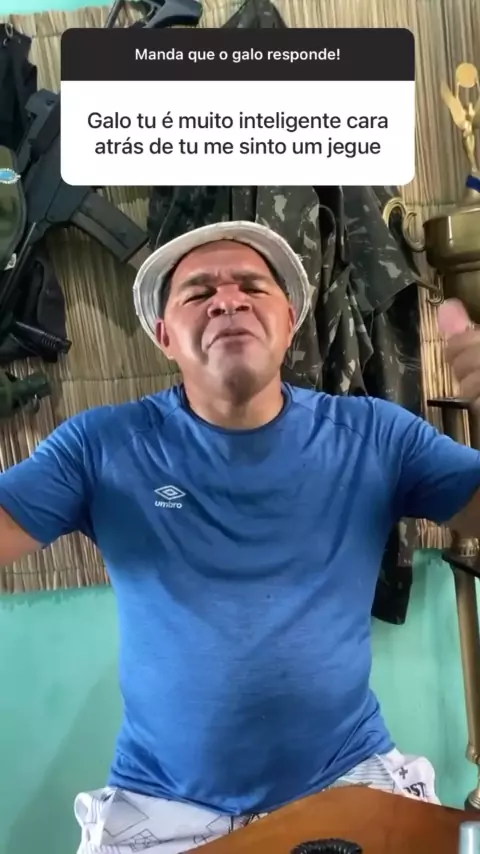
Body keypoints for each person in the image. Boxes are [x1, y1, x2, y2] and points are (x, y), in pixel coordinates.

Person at [1, 220, 480, 854]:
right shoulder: (99, 446)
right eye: (199, 293)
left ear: (290, 320)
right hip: (161, 801)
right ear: (164, 336)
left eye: (252, 287)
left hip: (349, 777)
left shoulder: (377, 435)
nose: (228, 300)